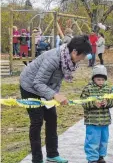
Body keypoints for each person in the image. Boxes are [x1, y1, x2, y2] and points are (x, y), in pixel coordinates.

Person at [19, 35, 92, 163]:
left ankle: (52, 154)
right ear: (74, 52)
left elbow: (56, 80)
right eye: (83, 55)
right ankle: (37, 159)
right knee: (37, 122)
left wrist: (55, 94)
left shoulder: (67, 60)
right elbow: (37, 83)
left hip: (45, 88)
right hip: (29, 86)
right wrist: (55, 95)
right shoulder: (54, 58)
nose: (83, 59)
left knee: (52, 118)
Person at [80, 65, 113, 163]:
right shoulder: (88, 88)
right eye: (98, 79)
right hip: (92, 121)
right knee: (92, 141)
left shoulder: (108, 88)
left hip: (105, 121)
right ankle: (92, 159)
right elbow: (83, 102)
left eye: (103, 80)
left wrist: (107, 103)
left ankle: (100, 156)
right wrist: (93, 103)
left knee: (103, 140)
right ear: (94, 78)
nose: (101, 82)